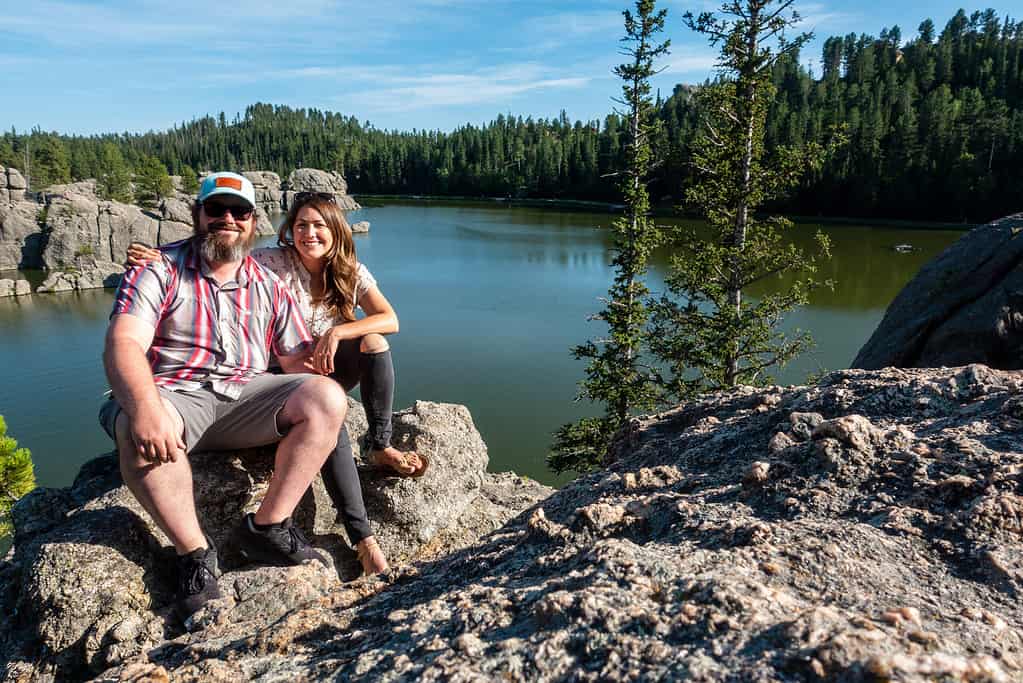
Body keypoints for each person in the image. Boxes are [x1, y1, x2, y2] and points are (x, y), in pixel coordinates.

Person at [125, 191, 425, 579]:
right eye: (301, 225)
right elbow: (221, 249)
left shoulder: (350, 271)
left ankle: (380, 444)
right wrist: (161, 255)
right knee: (331, 420)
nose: (309, 233)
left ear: (336, 231)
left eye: (319, 225)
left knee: (373, 343)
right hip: (279, 376)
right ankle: (363, 537)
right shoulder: (271, 261)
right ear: (290, 230)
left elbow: (390, 318)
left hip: (318, 367)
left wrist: (339, 333)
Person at [102, 172, 350, 621]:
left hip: (243, 396)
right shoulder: (159, 268)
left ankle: (268, 526)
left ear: (254, 222)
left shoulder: (269, 284)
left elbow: (295, 362)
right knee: (138, 434)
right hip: (174, 393)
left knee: (327, 400)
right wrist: (144, 409)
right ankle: (194, 555)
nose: (228, 219)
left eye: (240, 212)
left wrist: (351, 342)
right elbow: (123, 344)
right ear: (198, 215)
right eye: (217, 209)